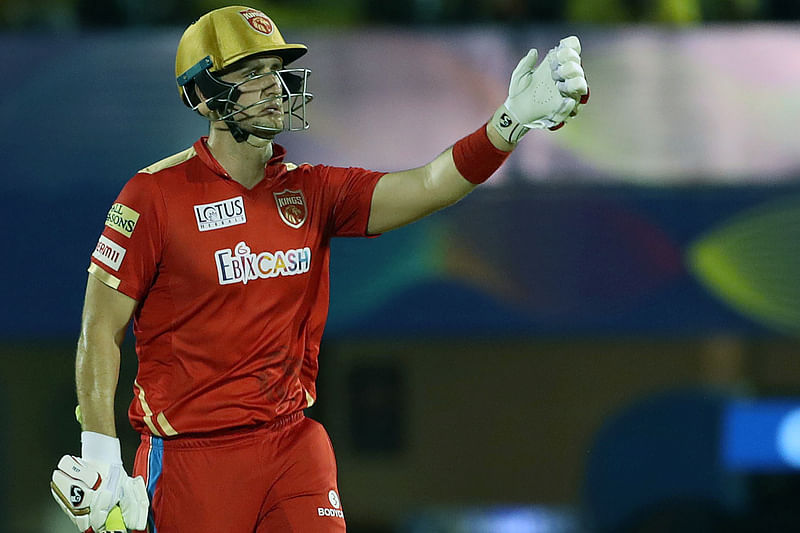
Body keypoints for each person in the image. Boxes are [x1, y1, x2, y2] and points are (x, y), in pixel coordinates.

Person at [50, 5, 589, 532]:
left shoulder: (313, 190)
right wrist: (98, 450)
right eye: (250, 72)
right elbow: (100, 328)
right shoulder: (152, 196)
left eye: (273, 71)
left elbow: (429, 185)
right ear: (203, 94)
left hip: (292, 444)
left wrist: (509, 122)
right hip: (190, 457)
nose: (272, 86)